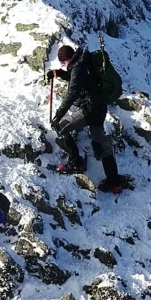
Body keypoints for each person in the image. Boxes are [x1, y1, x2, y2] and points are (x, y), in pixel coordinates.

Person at [47, 44, 122, 191]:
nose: (63, 65)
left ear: (67, 59)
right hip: (99, 108)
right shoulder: (84, 62)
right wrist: (58, 73)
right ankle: (114, 182)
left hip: (90, 110)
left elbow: (72, 92)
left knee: (61, 128)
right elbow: (77, 78)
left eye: (62, 63)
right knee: (100, 145)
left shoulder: (78, 67)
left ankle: (76, 162)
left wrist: (58, 116)